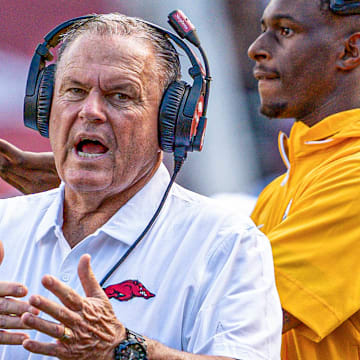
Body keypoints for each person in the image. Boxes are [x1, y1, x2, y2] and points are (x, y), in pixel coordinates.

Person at [0, 13, 282, 360]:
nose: (91, 111)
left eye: (120, 95)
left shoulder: (225, 243)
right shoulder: (4, 222)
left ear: (171, 123)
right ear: (45, 107)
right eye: (74, 90)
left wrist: (123, 350)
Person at [247, 0, 360, 358]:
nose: (257, 48)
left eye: (285, 30)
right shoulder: (279, 189)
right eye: (264, 28)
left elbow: (239, 313)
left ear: (350, 50)